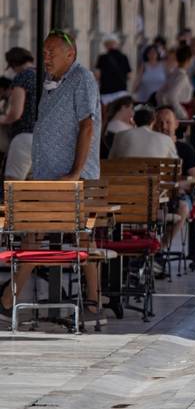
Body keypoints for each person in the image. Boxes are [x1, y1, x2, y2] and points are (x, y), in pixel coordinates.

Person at [0, 29, 105, 325]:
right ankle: (11, 296)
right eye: (44, 52)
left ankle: (92, 301)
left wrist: (75, 172)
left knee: (77, 236)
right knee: (37, 233)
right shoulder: (51, 83)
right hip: (50, 177)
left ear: (70, 55)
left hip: (72, 179)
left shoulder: (81, 79)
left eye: (52, 52)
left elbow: (87, 126)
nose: (46, 57)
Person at [153, 107, 195, 263]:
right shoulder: (150, 147)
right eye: (160, 122)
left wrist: (174, 185)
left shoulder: (185, 149)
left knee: (183, 207)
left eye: (168, 122)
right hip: (152, 197)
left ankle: (162, 246)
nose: (164, 126)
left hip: (177, 197)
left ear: (176, 124)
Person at [0, 47, 37, 180]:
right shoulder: (45, 75)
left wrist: (3, 119)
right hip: (45, 139)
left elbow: (15, 113)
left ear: (13, 64)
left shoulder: (22, 77)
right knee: (31, 190)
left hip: (25, 136)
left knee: (12, 186)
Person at [108, 107, 177, 160]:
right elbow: (174, 165)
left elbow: (111, 160)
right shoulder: (166, 139)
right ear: (153, 122)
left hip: (127, 178)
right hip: (155, 178)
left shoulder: (119, 135)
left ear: (134, 121)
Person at [156, 44, 194, 119]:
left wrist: (163, 107)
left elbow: (159, 94)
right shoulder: (181, 76)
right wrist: (182, 114)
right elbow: (171, 96)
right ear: (188, 60)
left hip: (174, 110)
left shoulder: (173, 74)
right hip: (180, 112)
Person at [94, 33, 132, 106]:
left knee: (106, 115)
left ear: (105, 45)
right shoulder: (124, 57)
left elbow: (97, 75)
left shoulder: (102, 57)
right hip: (121, 92)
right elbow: (129, 75)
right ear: (116, 43)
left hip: (106, 93)